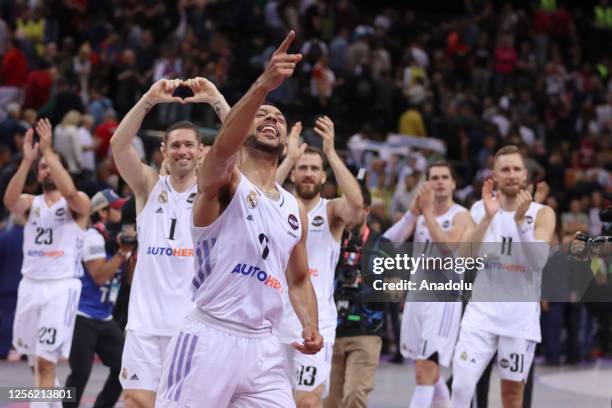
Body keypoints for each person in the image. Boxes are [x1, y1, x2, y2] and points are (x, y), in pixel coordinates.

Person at [156, 30, 323, 407]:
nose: (272, 118)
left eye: (278, 117)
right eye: (262, 113)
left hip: (264, 346)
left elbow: (297, 278)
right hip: (210, 336)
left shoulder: (294, 209)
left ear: (285, 141)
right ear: (244, 127)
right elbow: (224, 147)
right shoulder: (224, 180)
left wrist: (309, 324)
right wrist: (263, 85)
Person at [110, 77, 230, 408]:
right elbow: (118, 146)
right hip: (144, 325)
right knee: (135, 401)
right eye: (175, 145)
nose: (182, 151)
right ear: (163, 151)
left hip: (191, 328)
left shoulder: (213, 192)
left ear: (202, 150)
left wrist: (216, 100)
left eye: (189, 144)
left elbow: (242, 147)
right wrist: (148, 99)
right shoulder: (148, 186)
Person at [451, 145, 556, 408]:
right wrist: (488, 218)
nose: (511, 174)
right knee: (462, 387)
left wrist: (521, 224)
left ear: (525, 175)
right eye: (505, 169)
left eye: (516, 169)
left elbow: (538, 262)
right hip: (481, 314)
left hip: (519, 320)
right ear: (494, 176)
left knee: (511, 397)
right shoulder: (479, 208)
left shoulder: (542, 213)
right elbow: (464, 257)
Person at [275, 116, 364, 407]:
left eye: (315, 169)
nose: (309, 174)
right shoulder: (279, 205)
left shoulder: (331, 212)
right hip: (273, 317)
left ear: (324, 177)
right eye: (303, 168)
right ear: (293, 174)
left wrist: (331, 153)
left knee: (308, 402)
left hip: (316, 319)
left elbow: (356, 205)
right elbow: (255, 194)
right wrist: (289, 158)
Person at [3, 119, 91, 389]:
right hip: (30, 286)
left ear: (62, 169)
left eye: (51, 165)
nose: (47, 169)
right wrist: (29, 160)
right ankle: (54, 399)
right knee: (33, 360)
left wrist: (50, 153)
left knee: (45, 362)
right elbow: (9, 201)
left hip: (59, 287)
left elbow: (71, 192)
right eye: (43, 168)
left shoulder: (79, 203)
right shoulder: (31, 204)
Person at [383, 162, 471, 408]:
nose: (440, 181)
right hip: (417, 297)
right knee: (423, 367)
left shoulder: (461, 215)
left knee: (424, 369)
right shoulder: (420, 214)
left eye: (445, 177)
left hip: (443, 301)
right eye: (434, 177)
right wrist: (413, 214)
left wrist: (427, 213)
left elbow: (448, 246)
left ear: (453, 183)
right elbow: (389, 242)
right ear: (427, 183)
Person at [64, 189, 135, 408]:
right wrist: (122, 253)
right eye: (116, 209)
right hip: (83, 316)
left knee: (125, 368)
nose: (121, 214)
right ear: (102, 213)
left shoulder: (118, 239)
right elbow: (99, 276)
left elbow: (130, 281)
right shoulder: (92, 237)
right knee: (80, 373)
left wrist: (133, 254)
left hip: (105, 316)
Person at [324, 185, 386, 408]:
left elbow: (397, 291)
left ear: (366, 210)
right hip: (331, 330)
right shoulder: (330, 240)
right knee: (330, 402)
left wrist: (367, 282)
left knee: (353, 395)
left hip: (366, 332)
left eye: (353, 208)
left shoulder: (383, 245)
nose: (346, 213)